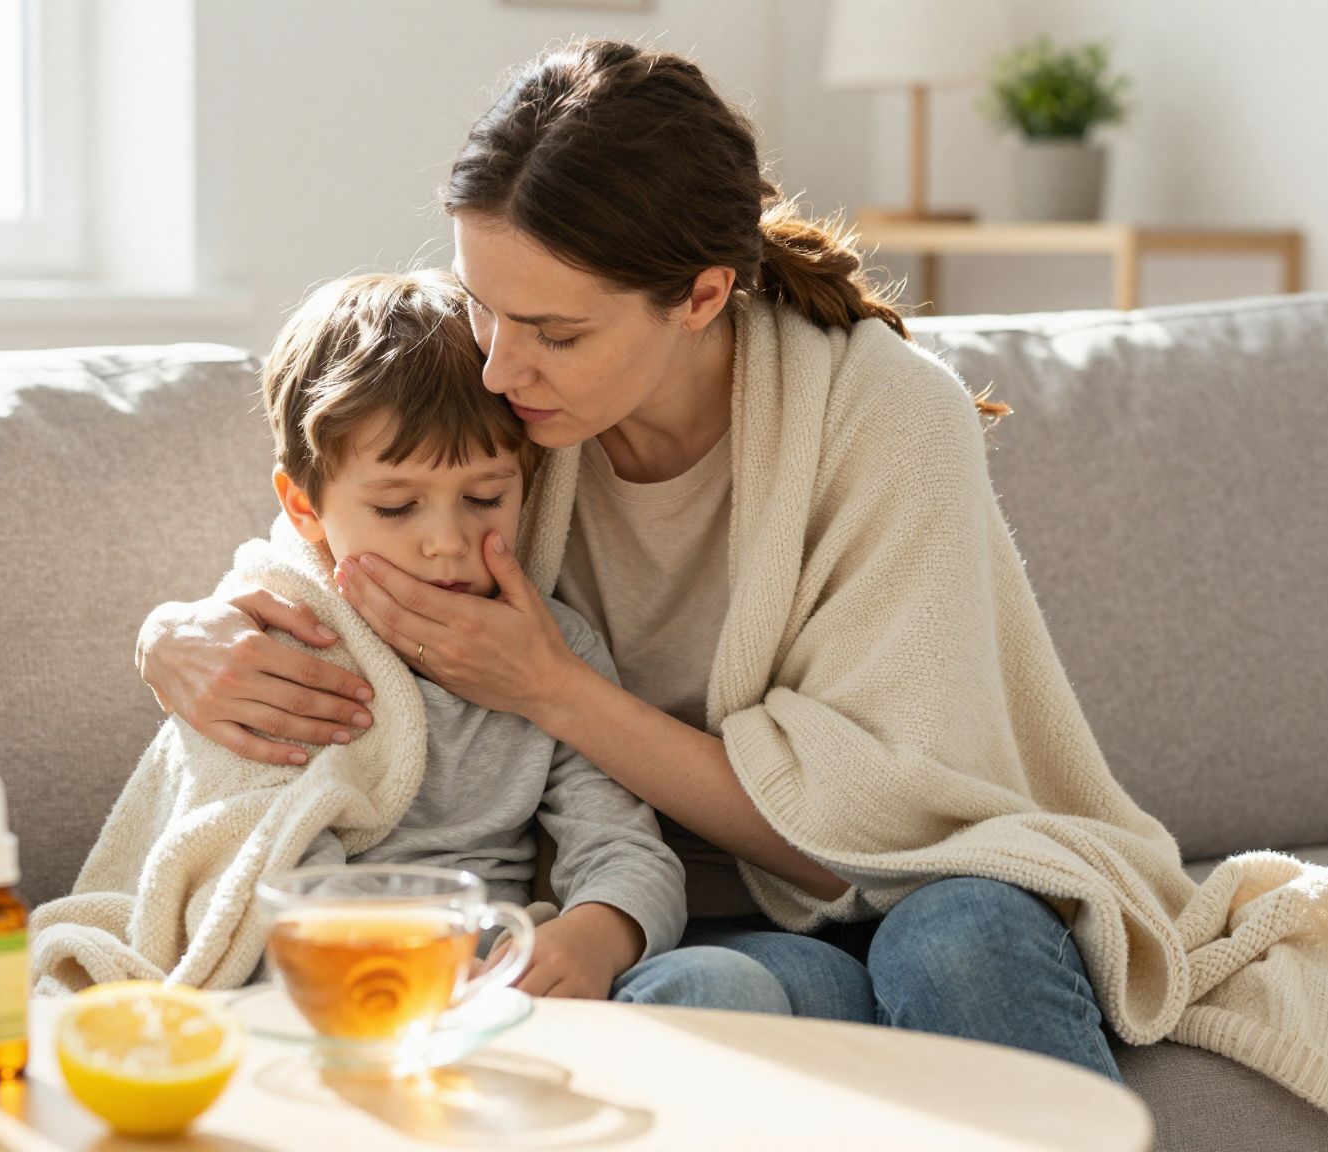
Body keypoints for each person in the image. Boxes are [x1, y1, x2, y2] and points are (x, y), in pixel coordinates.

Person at [136, 41, 1127, 1075]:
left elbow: (877, 831)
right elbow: (335, 511)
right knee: (704, 994)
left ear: (698, 298)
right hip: (677, 935)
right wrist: (175, 635)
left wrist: (554, 691)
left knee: (960, 942)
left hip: (896, 888)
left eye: (555, 334)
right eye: (480, 303)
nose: (497, 365)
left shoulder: (888, 421)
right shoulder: (502, 384)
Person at [68, 269, 717, 1002]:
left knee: (722, 982)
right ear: (306, 508)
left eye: (485, 497)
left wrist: (597, 934)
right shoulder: (273, 642)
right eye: (397, 506)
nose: (447, 540)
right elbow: (261, 859)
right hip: (325, 972)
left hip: (502, 969)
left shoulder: (553, 645)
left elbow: (627, 850)